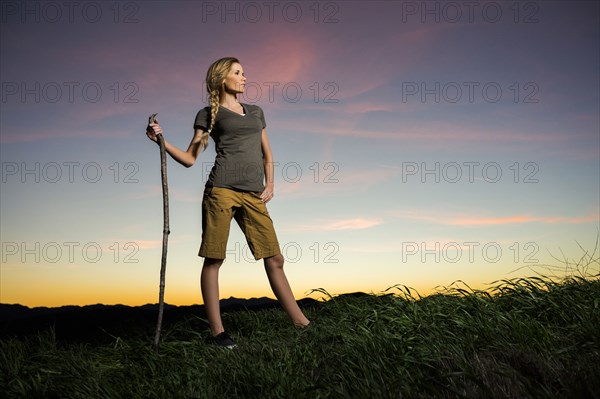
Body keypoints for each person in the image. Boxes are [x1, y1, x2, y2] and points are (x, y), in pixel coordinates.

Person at [146, 57, 311, 348]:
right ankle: (218, 335)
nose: (245, 77)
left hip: (253, 193)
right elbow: (189, 159)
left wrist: (270, 183)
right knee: (214, 259)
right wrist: (162, 141)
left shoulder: (256, 112)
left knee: (275, 258)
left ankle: (301, 323)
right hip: (220, 190)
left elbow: (267, 153)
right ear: (223, 79)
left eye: (244, 72)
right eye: (238, 73)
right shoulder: (209, 114)